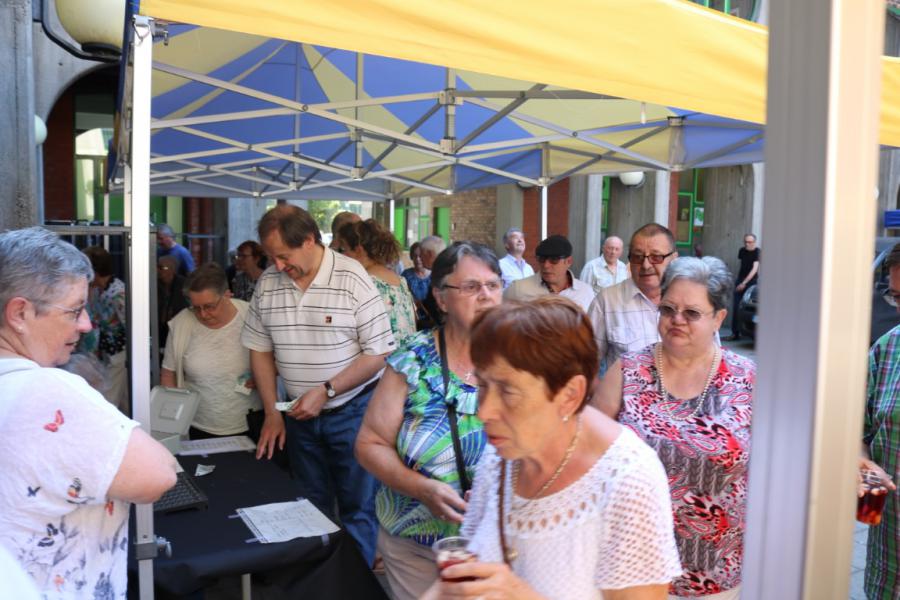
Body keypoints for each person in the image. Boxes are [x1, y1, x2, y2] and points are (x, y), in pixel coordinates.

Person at [423, 297, 681, 600]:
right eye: (482, 386)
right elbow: (463, 578)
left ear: (570, 395)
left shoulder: (629, 482)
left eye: (507, 391)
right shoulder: (501, 455)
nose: (484, 412)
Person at [0, 227, 176, 597]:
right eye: (75, 310)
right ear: (20, 313)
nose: (85, 324)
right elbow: (158, 474)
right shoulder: (48, 390)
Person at [241, 204, 395, 566]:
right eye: (271, 257)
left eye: (283, 255)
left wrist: (326, 390)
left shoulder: (351, 276)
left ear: (309, 240)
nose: (278, 266)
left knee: (359, 507)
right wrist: (271, 413)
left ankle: (357, 588)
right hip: (297, 415)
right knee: (309, 507)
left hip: (353, 412)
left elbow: (379, 353)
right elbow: (260, 350)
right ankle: (320, 582)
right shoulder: (268, 283)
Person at [596, 256, 754, 600]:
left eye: (692, 313)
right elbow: (585, 452)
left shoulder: (747, 380)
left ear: (719, 318)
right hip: (632, 569)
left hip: (715, 573)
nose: (676, 320)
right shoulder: (628, 372)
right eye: (668, 309)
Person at [356, 242, 502, 600]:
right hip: (416, 545)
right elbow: (369, 443)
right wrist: (421, 488)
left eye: (493, 285)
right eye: (470, 287)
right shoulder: (413, 360)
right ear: (440, 298)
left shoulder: (524, 356)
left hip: (504, 544)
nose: (485, 296)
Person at [161, 263, 261, 439]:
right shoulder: (181, 324)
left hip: (250, 421)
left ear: (227, 295)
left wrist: (264, 376)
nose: (203, 314)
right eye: (196, 307)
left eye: (209, 306)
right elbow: (168, 375)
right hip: (198, 424)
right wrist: (173, 422)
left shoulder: (252, 317)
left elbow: (279, 360)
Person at [861, 242, 900, 600]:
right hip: (889, 557)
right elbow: (858, 432)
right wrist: (865, 466)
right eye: (897, 297)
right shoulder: (887, 349)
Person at [589, 223, 679, 369]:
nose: (645, 265)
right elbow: (585, 364)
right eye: (637, 257)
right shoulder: (606, 301)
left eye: (656, 257)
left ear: (674, 259)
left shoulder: (691, 300)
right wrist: (604, 391)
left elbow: (712, 360)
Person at [337, 218, 418, 344]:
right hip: (404, 361)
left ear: (358, 250)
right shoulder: (400, 280)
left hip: (376, 361)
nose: (339, 256)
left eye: (342, 250)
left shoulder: (362, 283)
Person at [77, 245, 129, 412]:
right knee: (124, 399)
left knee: (109, 398)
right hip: (107, 350)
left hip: (120, 352)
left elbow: (130, 326)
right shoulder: (99, 290)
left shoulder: (118, 293)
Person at [503, 234, 595, 311]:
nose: (546, 265)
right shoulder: (517, 289)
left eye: (554, 260)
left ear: (568, 261)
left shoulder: (585, 292)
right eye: (541, 259)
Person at [723, 234, 760, 342]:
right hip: (740, 280)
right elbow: (742, 265)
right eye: (746, 242)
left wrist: (744, 283)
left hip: (751, 282)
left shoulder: (758, 252)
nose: (747, 244)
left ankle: (751, 333)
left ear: (754, 242)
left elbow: (754, 269)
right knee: (736, 306)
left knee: (748, 308)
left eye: (750, 242)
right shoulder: (742, 251)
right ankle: (735, 333)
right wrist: (739, 280)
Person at [157, 255, 188, 354]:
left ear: (173, 270)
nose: (158, 270)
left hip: (178, 331)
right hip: (157, 329)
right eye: (157, 267)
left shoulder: (184, 285)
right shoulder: (154, 284)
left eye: (162, 267)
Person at [401, 242, 433, 327]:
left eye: (420, 256)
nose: (418, 259)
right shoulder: (406, 275)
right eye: (415, 256)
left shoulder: (435, 275)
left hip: (432, 321)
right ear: (411, 257)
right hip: (411, 321)